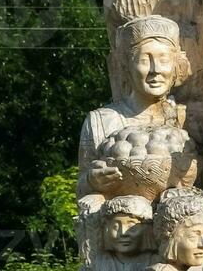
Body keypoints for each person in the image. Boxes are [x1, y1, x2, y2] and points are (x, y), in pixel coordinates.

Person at [77, 15, 191, 203]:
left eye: (164, 60)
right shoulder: (102, 121)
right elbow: (81, 187)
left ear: (176, 66)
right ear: (127, 67)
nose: (156, 70)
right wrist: (91, 180)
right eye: (145, 61)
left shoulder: (185, 118)